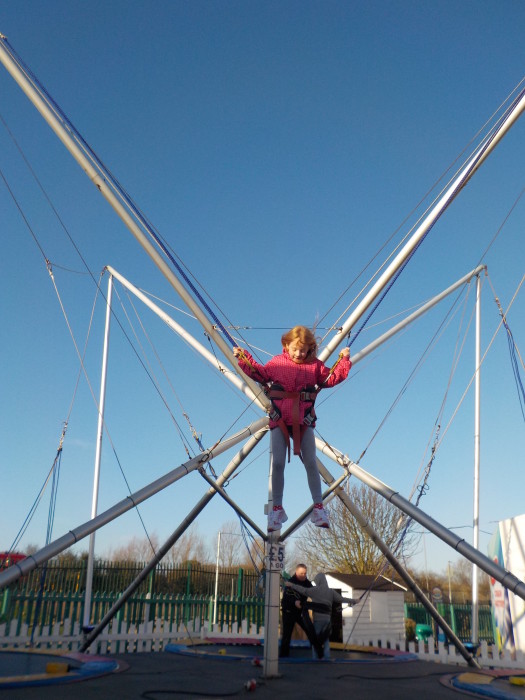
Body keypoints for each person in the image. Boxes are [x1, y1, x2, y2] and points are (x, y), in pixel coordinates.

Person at [233, 326, 351, 531]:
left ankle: (319, 507)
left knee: (311, 463)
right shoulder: (277, 363)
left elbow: (330, 378)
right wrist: (244, 357)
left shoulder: (314, 366)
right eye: (296, 349)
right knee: (277, 463)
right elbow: (259, 373)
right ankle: (277, 509)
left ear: (309, 349)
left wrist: (343, 360)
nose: (299, 354)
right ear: (286, 346)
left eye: (304, 350)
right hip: (279, 419)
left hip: (304, 420)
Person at [285, 572, 358, 659]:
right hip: (327, 619)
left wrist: (291, 585)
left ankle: (316, 657)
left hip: (318, 619)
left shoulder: (315, 590)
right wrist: (354, 601)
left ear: (318, 581)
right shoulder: (331, 592)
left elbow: (302, 590)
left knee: (315, 638)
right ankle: (326, 656)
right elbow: (342, 599)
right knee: (325, 637)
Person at [279, 563, 322, 659]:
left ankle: (319, 654)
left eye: (305, 573)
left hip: (301, 610)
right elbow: (287, 596)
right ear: (296, 572)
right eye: (301, 573)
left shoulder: (307, 583)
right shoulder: (291, 582)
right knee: (287, 633)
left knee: (310, 629)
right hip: (289, 610)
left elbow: (313, 593)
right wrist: (294, 602)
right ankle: (283, 655)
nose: (304, 575)